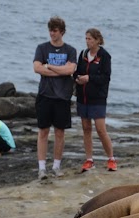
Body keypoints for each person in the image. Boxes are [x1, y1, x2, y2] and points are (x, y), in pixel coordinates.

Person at [33, 16, 77, 179]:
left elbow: (70, 70)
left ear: (62, 32)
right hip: (45, 94)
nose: (52, 33)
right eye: (50, 30)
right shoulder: (42, 48)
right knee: (43, 131)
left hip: (63, 97)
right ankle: (42, 168)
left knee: (60, 132)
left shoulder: (70, 50)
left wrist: (50, 66)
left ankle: (56, 166)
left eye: (55, 30)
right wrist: (61, 69)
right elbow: (37, 68)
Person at [75, 28, 116, 172]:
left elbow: (106, 77)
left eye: (90, 39)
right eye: (86, 39)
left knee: (100, 129)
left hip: (98, 98)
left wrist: (89, 78)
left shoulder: (104, 56)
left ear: (97, 40)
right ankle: (89, 159)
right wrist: (78, 79)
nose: (87, 41)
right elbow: (78, 71)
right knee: (86, 128)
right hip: (82, 97)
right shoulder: (83, 54)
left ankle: (111, 159)